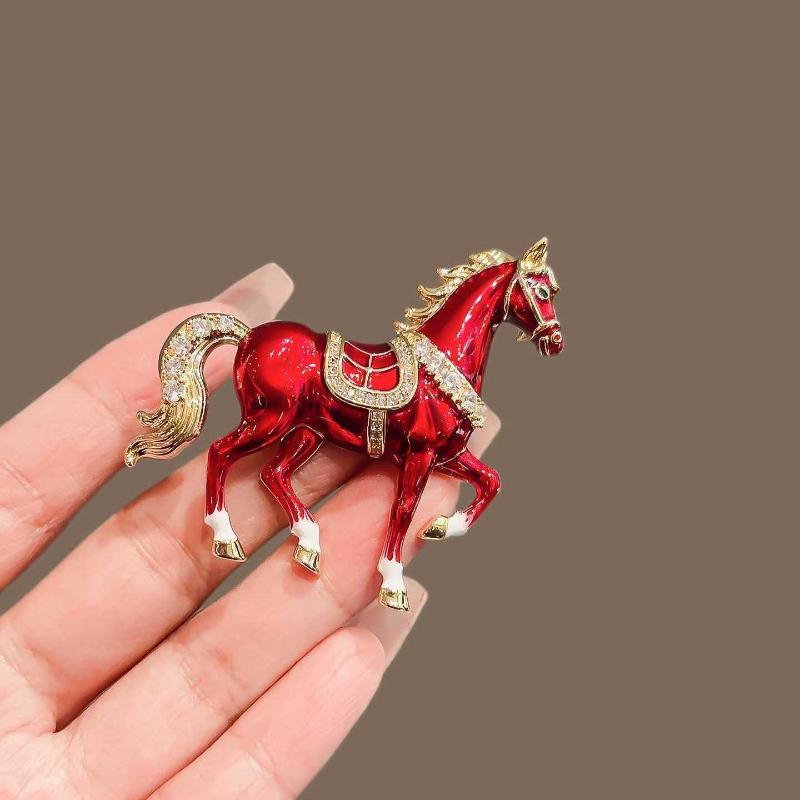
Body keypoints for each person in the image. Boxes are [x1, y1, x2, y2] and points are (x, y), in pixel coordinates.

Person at [0, 263, 499, 798]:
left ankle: (308, 522)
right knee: (246, 443)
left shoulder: (445, 374)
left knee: (309, 468)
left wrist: (474, 503)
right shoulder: (350, 363)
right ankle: (344, 550)